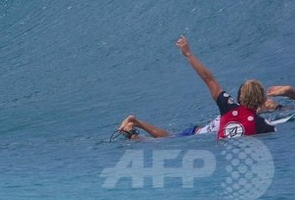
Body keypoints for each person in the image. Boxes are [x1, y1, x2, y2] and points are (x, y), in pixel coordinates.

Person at [114, 35, 277, 140]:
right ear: (262, 99)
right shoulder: (262, 125)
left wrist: (188, 54)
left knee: (169, 138)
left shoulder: (228, 106)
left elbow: (208, 78)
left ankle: (134, 129)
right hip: (199, 135)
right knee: (166, 140)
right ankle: (134, 130)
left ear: (240, 97)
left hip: (198, 131)